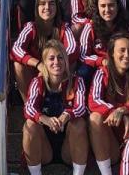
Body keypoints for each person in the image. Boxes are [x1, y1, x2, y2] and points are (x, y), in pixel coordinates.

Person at [22, 40, 89, 175]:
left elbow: (81, 107)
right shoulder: (38, 82)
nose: (56, 62)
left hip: (69, 147)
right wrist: (43, 118)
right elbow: (28, 108)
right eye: (51, 58)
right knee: (30, 124)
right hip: (44, 147)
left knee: (79, 123)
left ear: (66, 61)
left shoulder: (76, 81)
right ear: (44, 63)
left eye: (60, 58)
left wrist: (66, 116)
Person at [88, 34, 129, 174]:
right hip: (111, 138)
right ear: (111, 53)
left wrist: (124, 110)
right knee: (95, 118)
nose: (127, 55)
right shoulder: (102, 72)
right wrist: (118, 113)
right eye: (122, 50)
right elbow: (94, 101)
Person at [12, 0, 79, 97]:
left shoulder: (64, 28)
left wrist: (50, 67)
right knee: (18, 65)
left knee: (72, 62)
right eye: (42, 4)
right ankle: (29, 105)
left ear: (57, 8)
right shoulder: (30, 27)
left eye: (51, 3)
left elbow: (72, 49)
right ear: (37, 8)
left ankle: (63, 101)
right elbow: (16, 49)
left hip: (57, 69)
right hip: (35, 71)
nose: (47, 7)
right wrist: (39, 64)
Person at [78, 0, 129, 83]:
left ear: (118, 7)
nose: (107, 10)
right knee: (84, 71)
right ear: (97, 8)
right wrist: (101, 61)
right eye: (103, 6)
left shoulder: (127, 27)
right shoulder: (90, 27)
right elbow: (83, 56)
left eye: (111, 5)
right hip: (100, 66)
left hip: (123, 65)